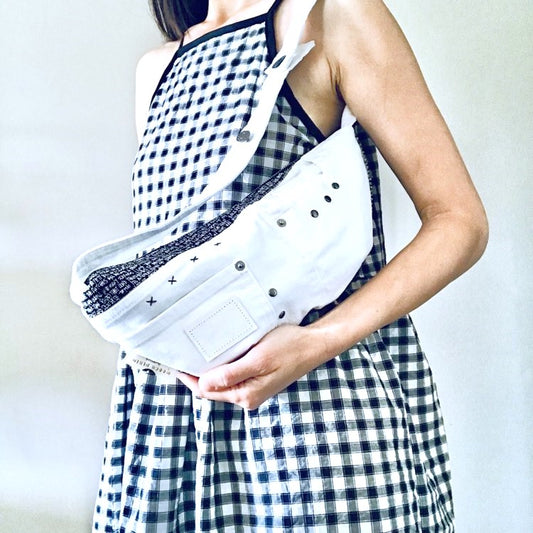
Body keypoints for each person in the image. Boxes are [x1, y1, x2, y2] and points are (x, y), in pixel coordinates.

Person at [92, 0, 488, 531]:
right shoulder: (157, 69)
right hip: (173, 429)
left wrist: (317, 342)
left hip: (314, 423)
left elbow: (458, 221)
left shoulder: (332, 18)